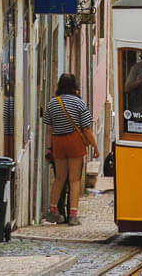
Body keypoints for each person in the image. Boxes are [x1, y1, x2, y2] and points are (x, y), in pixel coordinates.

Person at [43, 73, 99, 226]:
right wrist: (95, 146)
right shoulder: (79, 103)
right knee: (74, 179)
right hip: (74, 141)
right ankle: (73, 215)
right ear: (74, 86)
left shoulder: (52, 103)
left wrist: (49, 147)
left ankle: (53, 211)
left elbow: (49, 129)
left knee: (60, 178)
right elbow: (86, 129)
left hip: (57, 142)